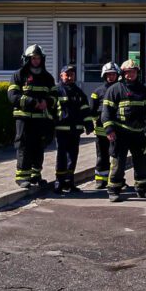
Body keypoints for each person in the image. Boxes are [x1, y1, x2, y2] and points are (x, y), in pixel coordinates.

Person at [101, 59, 146, 202]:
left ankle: (142, 189)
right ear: (123, 73)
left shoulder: (144, 91)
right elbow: (106, 112)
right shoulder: (115, 89)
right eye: (128, 72)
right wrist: (109, 130)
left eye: (133, 72)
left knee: (142, 162)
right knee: (118, 163)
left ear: (137, 73)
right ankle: (114, 190)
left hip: (139, 133)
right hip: (120, 133)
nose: (130, 74)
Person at [7, 44, 57, 189]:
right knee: (24, 146)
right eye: (33, 58)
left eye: (38, 58)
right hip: (23, 118)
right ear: (27, 59)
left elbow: (54, 96)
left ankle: (35, 175)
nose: (36, 61)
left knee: (39, 146)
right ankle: (22, 177)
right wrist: (32, 102)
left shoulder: (47, 77)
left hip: (40, 119)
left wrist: (46, 102)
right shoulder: (19, 75)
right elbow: (13, 96)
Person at [53, 65, 94, 194]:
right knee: (61, 157)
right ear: (61, 76)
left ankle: (69, 182)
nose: (70, 77)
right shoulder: (56, 91)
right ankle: (59, 182)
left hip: (75, 130)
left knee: (73, 157)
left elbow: (85, 110)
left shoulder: (79, 92)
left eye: (72, 75)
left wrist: (88, 125)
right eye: (67, 74)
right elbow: (51, 110)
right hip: (61, 130)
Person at [89, 62, 121, 189]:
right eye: (108, 74)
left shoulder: (121, 89)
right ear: (104, 75)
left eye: (113, 74)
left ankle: (117, 178)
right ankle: (100, 180)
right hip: (102, 131)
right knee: (102, 156)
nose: (111, 77)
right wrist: (97, 121)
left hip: (117, 130)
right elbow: (92, 110)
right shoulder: (97, 92)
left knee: (116, 157)